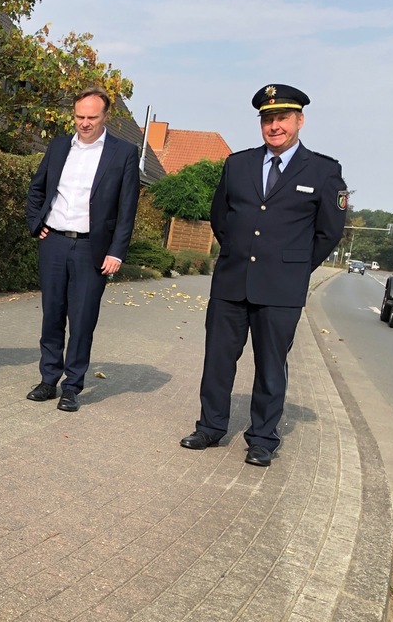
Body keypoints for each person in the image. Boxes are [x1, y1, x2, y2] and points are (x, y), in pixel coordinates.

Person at [180, 84, 346, 467]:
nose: (274, 126)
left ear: (299, 120)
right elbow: (220, 217)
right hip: (232, 280)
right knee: (218, 359)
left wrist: (295, 266)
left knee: (271, 366)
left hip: (281, 288)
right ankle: (210, 427)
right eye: (267, 119)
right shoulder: (237, 164)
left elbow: (329, 232)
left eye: (282, 119)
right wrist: (238, 252)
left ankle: (262, 438)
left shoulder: (324, 171)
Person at [24, 87, 139, 412]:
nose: (84, 123)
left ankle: (72, 386)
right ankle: (48, 380)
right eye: (79, 117)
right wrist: (36, 223)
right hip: (54, 244)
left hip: (93, 249)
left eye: (91, 117)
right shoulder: (60, 146)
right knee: (52, 315)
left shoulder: (123, 153)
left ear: (106, 117)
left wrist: (117, 251)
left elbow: (127, 208)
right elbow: (36, 189)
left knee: (83, 319)